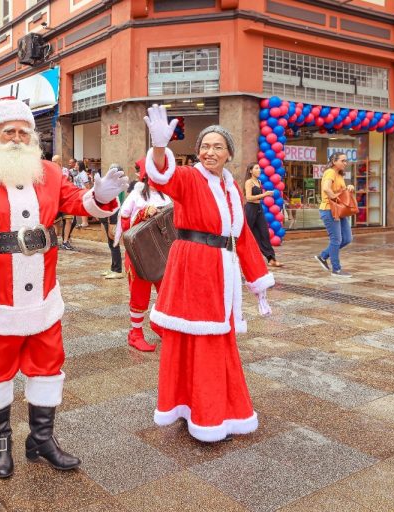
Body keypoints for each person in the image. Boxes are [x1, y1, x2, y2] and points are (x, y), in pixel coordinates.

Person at [0, 98, 127, 478]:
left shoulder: (50, 172)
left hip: (42, 298)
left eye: (24, 131)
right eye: (9, 131)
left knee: (48, 369)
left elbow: (78, 202)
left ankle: (41, 440)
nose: (18, 138)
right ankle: (1, 440)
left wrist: (102, 196)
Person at [143, 105, 274, 443]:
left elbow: (241, 237)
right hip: (193, 270)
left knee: (219, 340)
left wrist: (257, 281)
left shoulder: (231, 189)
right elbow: (163, 176)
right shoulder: (189, 178)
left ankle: (220, 411)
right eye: (204, 146)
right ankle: (201, 413)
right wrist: (160, 147)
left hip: (222, 274)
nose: (209, 152)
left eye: (217, 146)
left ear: (230, 153)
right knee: (200, 340)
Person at [115, 158, 172, 351]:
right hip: (140, 254)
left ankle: (158, 323)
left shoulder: (168, 195)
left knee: (166, 292)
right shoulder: (136, 196)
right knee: (139, 294)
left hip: (163, 253)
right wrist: (143, 214)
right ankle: (135, 333)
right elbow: (125, 227)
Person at [314, 152, 355, 278]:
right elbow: (326, 188)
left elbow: (340, 191)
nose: (345, 163)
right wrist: (336, 198)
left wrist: (349, 187)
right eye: (342, 160)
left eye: (346, 161)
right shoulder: (330, 172)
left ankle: (323, 256)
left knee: (347, 238)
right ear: (334, 161)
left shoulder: (339, 175)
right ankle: (336, 270)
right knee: (336, 240)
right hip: (329, 209)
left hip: (339, 210)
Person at [244, 163, 282, 267]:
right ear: (251, 171)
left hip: (258, 209)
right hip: (250, 209)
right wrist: (265, 194)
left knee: (264, 233)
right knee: (246, 234)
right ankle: (239, 256)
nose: (259, 170)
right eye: (256, 168)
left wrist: (265, 195)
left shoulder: (259, 181)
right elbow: (248, 197)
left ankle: (271, 259)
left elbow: (258, 197)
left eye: (259, 168)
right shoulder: (249, 182)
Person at [95, 165, 125, 279]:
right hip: (108, 217)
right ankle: (114, 267)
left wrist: (111, 222)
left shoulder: (115, 185)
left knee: (114, 244)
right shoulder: (114, 184)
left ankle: (117, 270)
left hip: (112, 217)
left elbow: (114, 205)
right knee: (111, 244)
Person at [74, 161, 91, 228]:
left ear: (80, 166)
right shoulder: (79, 173)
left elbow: (87, 184)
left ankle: (85, 222)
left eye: (76, 165)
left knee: (83, 207)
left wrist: (88, 192)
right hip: (79, 192)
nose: (75, 166)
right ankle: (83, 222)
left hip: (83, 192)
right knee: (81, 207)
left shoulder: (83, 174)